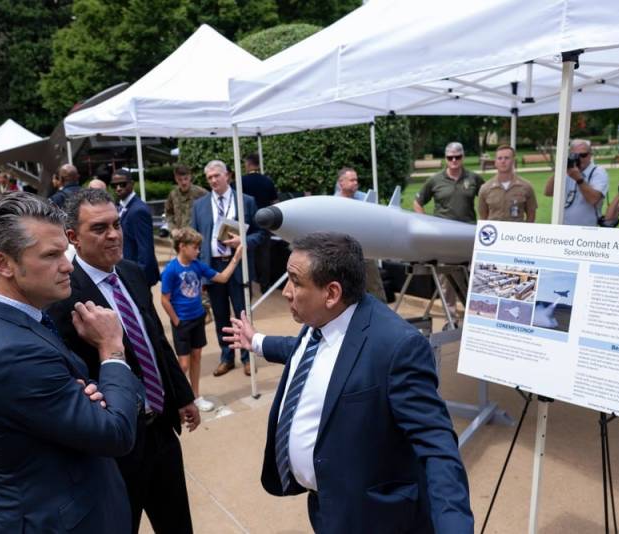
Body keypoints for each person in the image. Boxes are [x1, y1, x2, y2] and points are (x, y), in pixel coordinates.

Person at [223, 232, 474, 533]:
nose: (286, 292)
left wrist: (454, 527)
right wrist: (259, 342)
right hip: (327, 507)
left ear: (331, 293)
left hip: (372, 519)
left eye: (295, 281)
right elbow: (308, 352)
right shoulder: (322, 319)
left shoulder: (397, 348)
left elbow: (438, 446)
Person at [0, 192, 143, 532]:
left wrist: (89, 394)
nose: (68, 264)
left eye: (64, 252)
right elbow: (115, 432)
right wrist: (112, 352)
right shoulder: (12, 353)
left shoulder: (8, 322)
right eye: (52, 255)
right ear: (3, 264)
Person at [48, 189, 198, 534]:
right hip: (114, 447)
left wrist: (183, 395)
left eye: (117, 224)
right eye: (100, 228)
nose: (114, 234)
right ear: (73, 237)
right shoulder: (63, 295)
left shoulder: (131, 272)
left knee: (177, 524)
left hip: (161, 431)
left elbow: (156, 341)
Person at [191, 160, 263, 377]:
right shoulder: (199, 205)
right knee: (221, 316)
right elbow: (195, 240)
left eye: (217, 176)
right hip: (213, 269)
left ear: (227, 176)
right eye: (209, 177)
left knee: (242, 314)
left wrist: (244, 240)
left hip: (239, 267)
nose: (213, 180)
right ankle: (226, 357)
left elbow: (260, 234)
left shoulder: (246, 201)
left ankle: (247, 357)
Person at [161, 228, 243, 412]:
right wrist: (176, 321)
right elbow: (164, 299)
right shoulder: (171, 270)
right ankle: (174, 397)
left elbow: (222, 278)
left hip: (197, 319)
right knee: (183, 364)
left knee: (196, 357)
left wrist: (236, 257)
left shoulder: (197, 265)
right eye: (195, 247)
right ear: (182, 247)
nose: (198, 251)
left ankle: (196, 396)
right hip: (182, 323)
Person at [414, 143, 485, 323]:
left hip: (468, 236)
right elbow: (418, 202)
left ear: (463, 157)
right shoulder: (435, 180)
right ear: (445, 159)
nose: (454, 161)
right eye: (450, 157)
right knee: (446, 281)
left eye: (458, 157)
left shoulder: (474, 178)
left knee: (473, 278)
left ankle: (476, 318)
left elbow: (487, 198)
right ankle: (450, 319)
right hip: (443, 238)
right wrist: (426, 223)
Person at [334, 167, 387, 303]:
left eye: (356, 180)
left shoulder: (365, 199)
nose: (355, 182)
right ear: (341, 183)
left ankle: (383, 315)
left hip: (365, 251)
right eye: (351, 180)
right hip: (343, 252)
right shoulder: (333, 203)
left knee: (375, 286)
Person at [111, 169, 160, 287]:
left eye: (122, 184)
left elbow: (145, 249)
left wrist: (138, 277)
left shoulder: (138, 210)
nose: (118, 188)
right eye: (114, 185)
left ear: (132, 184)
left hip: (138, 277)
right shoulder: (120, 207)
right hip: (127, 272)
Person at [543, 139, 608, 226]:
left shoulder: (598, 172)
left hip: (587, 230)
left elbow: (593, 199)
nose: (579, 158)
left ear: (590, 155)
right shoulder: (567, 171)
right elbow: (548, 192)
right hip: (563, 229)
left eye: (583, 155)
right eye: (575, 155)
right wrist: (559, 170)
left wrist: (579, 179)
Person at [240, 154, 278, 292]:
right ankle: (265, 285)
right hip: (265, 221)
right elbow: (275, 202)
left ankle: (248, 285)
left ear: (248, 164)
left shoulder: (241, 181)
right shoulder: (267, 181)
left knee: (248, 254)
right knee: (264, 255)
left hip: (247, 222)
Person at [478, 145, 537, 222]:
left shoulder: (526, 187)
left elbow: (531, 215)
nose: (503, 161)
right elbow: (483, 217)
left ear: (513, 161)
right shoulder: (485, 188)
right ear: (495, 162)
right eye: (499, 158)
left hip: (516, 233)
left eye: (506, 158)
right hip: (495, 232)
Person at [164, 164, 207, 232]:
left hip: (196, 236)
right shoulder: (173, 194)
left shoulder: (201, 193)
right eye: (180, 179)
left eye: (186, 179)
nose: (183, 182)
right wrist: (173, 229)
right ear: (176, 179)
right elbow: (169, 213)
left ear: (190, 177)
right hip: (179, 236)